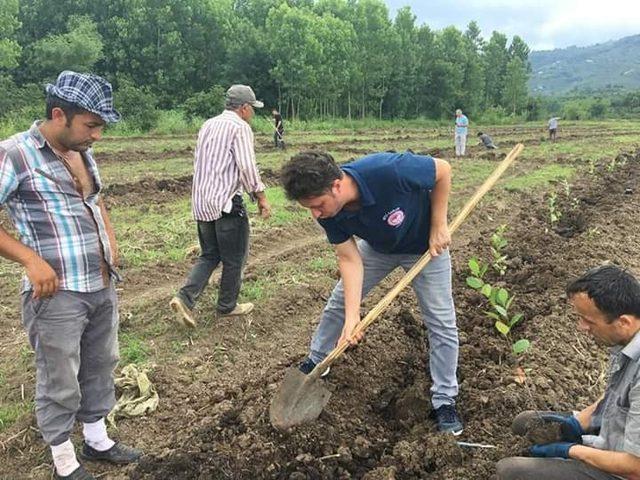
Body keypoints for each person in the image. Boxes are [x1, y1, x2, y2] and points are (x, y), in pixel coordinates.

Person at [0, 71, 140, 480]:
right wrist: (29, 259)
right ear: (59, 115)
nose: (97, 135)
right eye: (92, 125)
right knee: (60, 373)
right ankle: (64, 460)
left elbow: (95, 200)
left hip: (100, 281)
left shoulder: (80, 151)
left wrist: (111, 244)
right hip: (56, 290)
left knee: (101, 362)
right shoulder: (16, 154)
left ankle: (97, 439)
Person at [280, 150, 463, 435]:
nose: (315, 214)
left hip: (425, 247)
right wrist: (353, 317)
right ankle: (318, 360)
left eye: (318, 205)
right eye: (309, 208)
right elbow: (349, 258)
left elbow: (443, 170)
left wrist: (438, 225)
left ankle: (445, 400)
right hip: (378, 249)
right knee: (338, 304)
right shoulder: (328, 211)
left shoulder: (389, 170)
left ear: (336, 185)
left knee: (441, 323)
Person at [496, 264, 640, 480]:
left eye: (589, 321)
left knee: (511, 472)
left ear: (624, 322)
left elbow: (635, 467)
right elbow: (616, 396)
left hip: (627, 470)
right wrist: (576, 423)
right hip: (614, 439)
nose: (581, 327)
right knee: (525, 423)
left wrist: (569, 450)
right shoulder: (625, 339)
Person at [170, 85, 271, 328]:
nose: (253, 114)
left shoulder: (208, 124)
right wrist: (261, 197)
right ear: (244, 108)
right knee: (235, 257)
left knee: (210, 254)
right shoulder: (240, 127)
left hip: (203, 203)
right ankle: (227, 306)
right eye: (252, 109)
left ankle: (184, 298)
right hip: (227, 203)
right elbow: (247, 167)